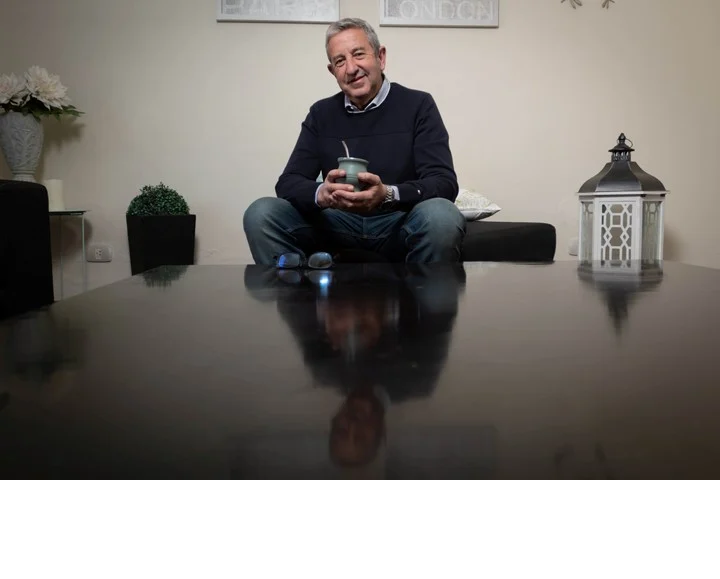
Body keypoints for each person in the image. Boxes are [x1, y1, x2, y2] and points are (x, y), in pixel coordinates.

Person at [243, 17, 466, 265]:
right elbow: (288, 183)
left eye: (358, 54)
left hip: (399, 222)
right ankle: (297, 286)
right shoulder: (321, 114)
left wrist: (387, 194)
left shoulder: (418, 105)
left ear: (380, 57)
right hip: (335, 223)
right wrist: (322, 194)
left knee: (442, 216)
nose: (351, 68)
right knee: (261, 213)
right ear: (332, 71)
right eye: (340, 61)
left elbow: (443, 183)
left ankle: (423, 290)